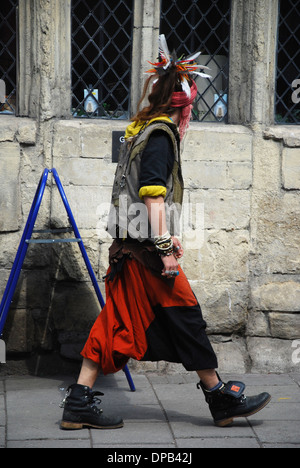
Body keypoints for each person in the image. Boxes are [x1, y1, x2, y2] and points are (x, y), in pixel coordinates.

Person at [60, 36, 271, 430]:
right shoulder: (160, 135)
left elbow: (138, 195)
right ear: (184, 102)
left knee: (115, 325)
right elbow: (151, 196)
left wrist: (162, 236)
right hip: (144, 255)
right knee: (186, 315)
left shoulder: (140, 130)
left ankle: (78, 402)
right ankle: (219, 397)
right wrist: (164, 247)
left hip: (129, 249)